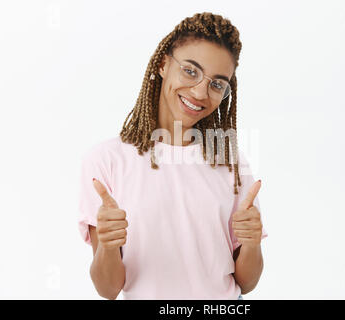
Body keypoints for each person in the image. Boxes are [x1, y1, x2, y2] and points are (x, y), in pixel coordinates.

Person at [78, 12, 268, 300]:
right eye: (190, 71)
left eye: (217, 84)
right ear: (163, 64)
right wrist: (106, 244)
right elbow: (109, 289)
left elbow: (247, 282)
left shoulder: (229, 162)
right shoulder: (107, 161)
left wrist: (252, 243)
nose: (200, 92)